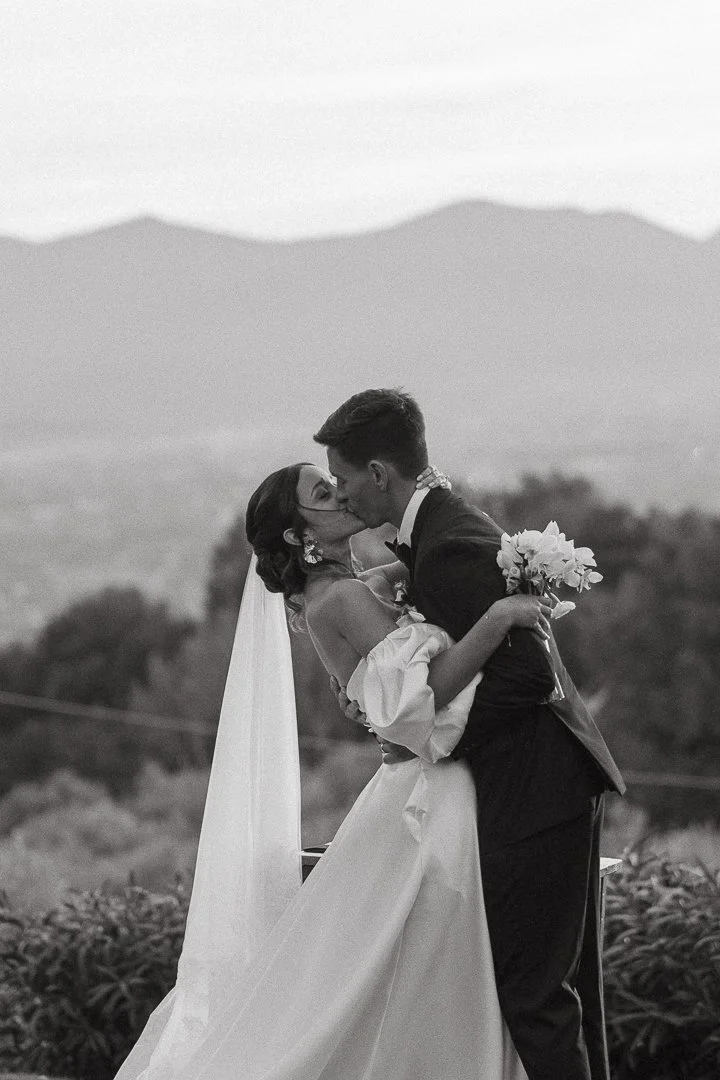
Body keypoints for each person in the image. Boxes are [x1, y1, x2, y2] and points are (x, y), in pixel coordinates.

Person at [114, 460, 553, 1080]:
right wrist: (500, 617)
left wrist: (442, 517)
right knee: (436, 961)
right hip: (429, 792)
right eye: (323, 492)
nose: (341, 492)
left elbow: (425, 568)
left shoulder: (355, 583)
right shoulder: (340, 598)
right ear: (299, 535)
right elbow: (419, 706)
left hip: (428, 781)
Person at [314, 389, 626, 1080]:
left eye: (341, 479)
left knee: (535, 996)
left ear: (378, 475)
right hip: (550, 779)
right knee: (558, 993)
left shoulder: (448, 545)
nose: (340, 495)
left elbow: (524, 678)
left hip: (536, 787)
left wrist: (437, 740)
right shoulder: (438, 532)